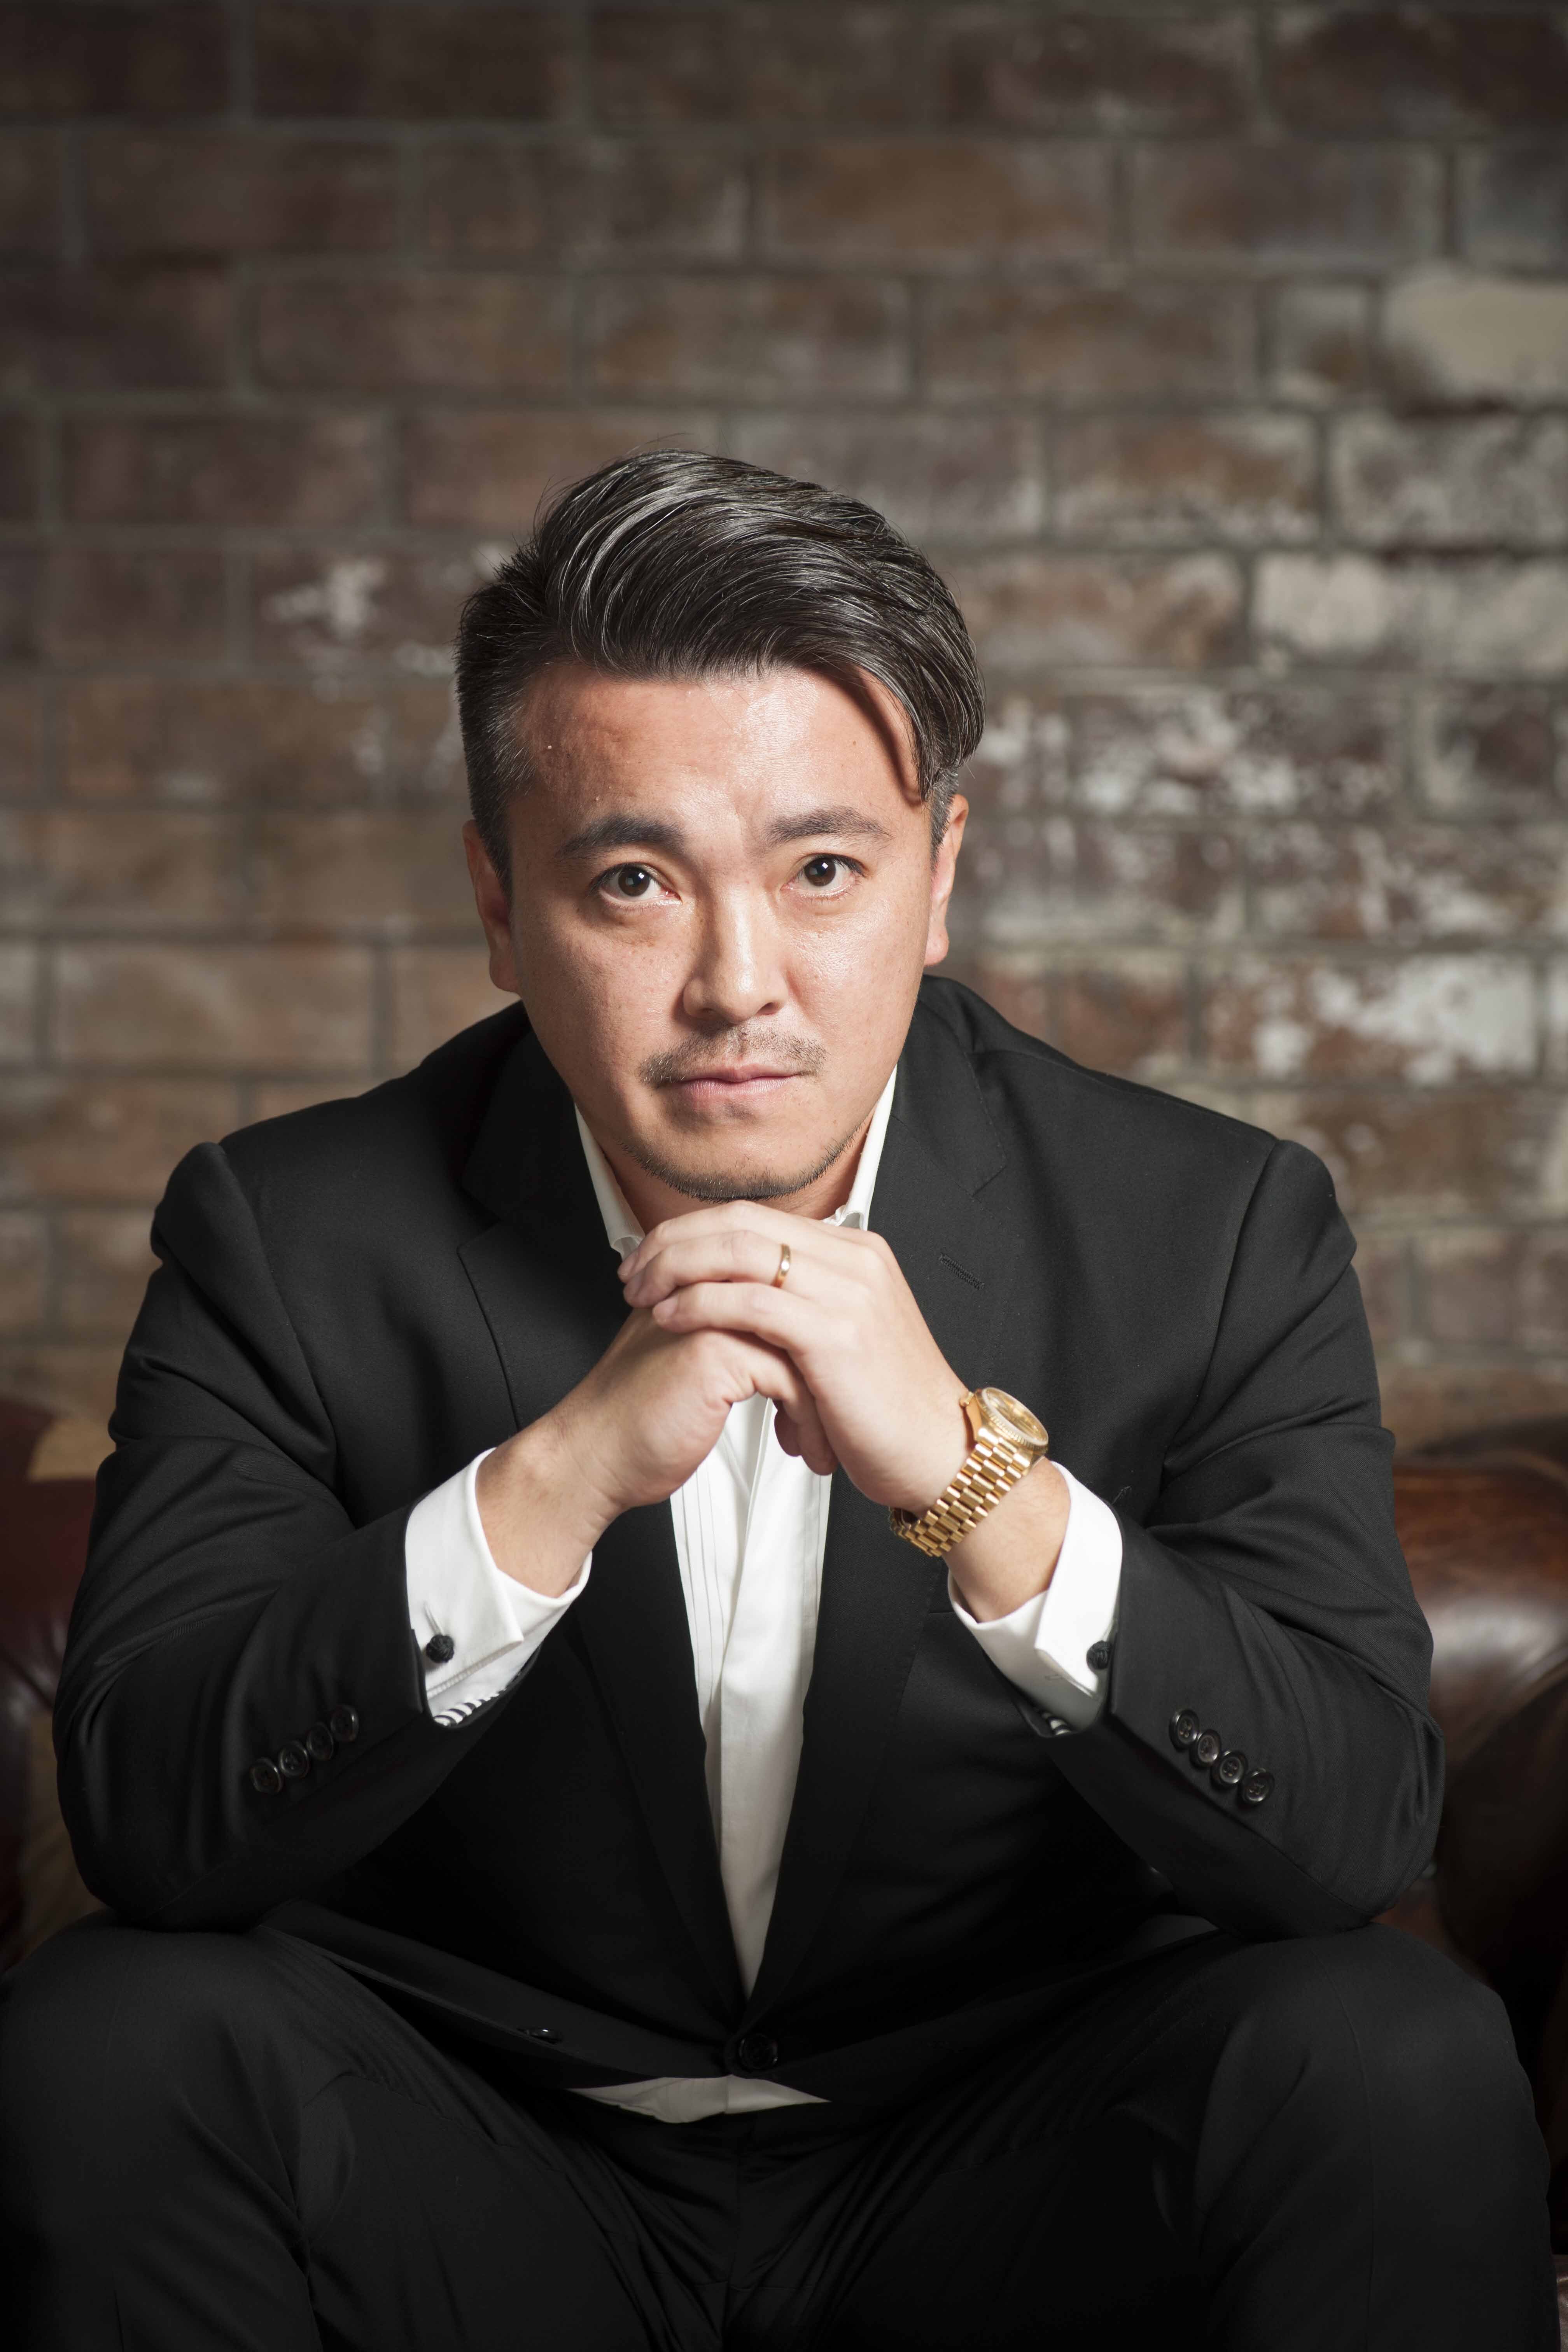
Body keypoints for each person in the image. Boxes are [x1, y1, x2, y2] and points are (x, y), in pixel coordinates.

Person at [0, 452, 1554, 2350]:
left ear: (939, 877)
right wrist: (546, 1488)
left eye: (823, 871)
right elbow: (152, 1818)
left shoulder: (1213, 1230)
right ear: (499, 902)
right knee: (111, 2040)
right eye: (635, 882)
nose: (739, 986)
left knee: (1395, 2054)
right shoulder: (288, 1232)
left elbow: (1351, 1830)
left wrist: (980, 1489)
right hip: (480, 2151)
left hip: (1013, 2155)